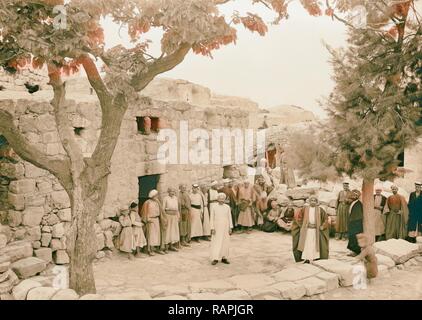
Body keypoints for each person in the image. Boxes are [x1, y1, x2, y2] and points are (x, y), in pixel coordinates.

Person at [295, 196, 330, 263]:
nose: (313, 202)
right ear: (309, 201)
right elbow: (299, 217)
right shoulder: (305, 209)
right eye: (312, 200)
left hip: (315, 231)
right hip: (307, 230)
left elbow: (326, 219)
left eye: (314, 200)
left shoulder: (320, 209)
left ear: (316, 202)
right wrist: (304, 225)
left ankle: (314, 257)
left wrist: (322, 226)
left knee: (314, 244)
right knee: (307, 244)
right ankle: (306, 258)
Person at [141, 189, 167, 255]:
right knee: (151, 236)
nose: (157, 196)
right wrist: (147, 219)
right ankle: (150, 249)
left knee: (157, 235)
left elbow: (161, 211)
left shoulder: (157, 202)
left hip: (157, 220)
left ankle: (157, 248)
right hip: (150, 220)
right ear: (153, 195)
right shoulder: (147, 202)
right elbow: (143, 212)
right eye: (156, 195)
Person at [210, 193, 233, 265]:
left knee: (225, 242)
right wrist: (212, 228)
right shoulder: (214, 207)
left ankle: (224, 257)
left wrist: (230, 227)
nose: (221, 200)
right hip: (217, 226)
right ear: (218, 199)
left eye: (223, 199)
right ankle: (215, 258)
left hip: (225, 226)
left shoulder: (227, 207)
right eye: (220, 198)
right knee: (216, 242)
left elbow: (229, 217)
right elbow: (212, 218)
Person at [162, 187, 180, 251]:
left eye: (173, 191)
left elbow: (177, 208)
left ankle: (171, 246)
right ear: (168, 192)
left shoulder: (175, 198)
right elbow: (163, 209)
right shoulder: (165, 198)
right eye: (171, 191)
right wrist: (165, 218)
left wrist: (178, 216)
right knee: (168, 231)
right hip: (168, 216)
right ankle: (166, 247)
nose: (172, 193)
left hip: (174, 216)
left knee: (173, 231)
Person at [347, 190, 364, 256]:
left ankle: (356, 252)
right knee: (352, 237)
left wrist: (353, 222)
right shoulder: (353, 202)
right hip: (353, 222)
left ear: (358, 196)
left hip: (356, 223)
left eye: (356, 195)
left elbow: (358, 215)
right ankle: (353, 251)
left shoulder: (358, 203)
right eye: (353, 195)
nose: (354, 196)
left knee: (355, 237)